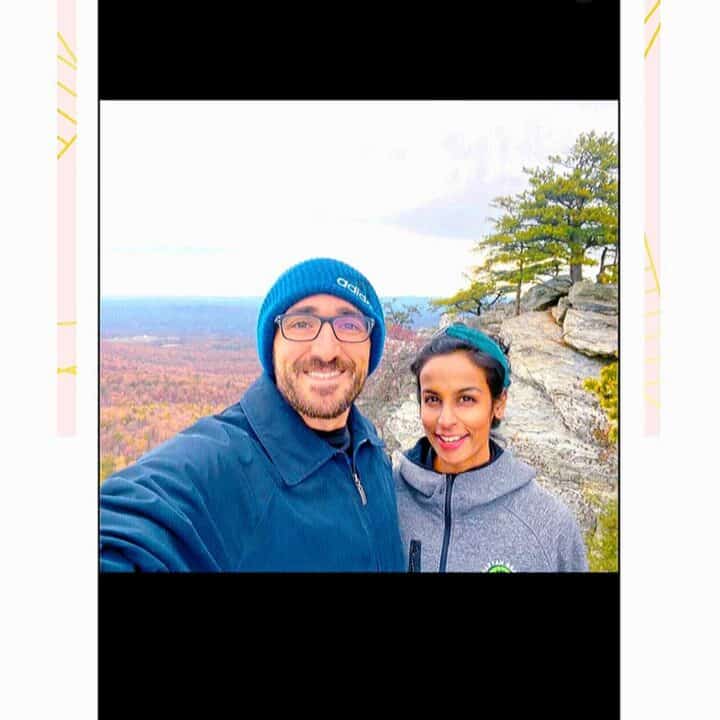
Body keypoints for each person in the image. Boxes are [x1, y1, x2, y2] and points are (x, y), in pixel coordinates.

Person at [100, 257, 405, 572]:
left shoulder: (369, 448)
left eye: (349, 324)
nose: (325, 350)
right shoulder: (224, 463)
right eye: (301, 323)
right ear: (272, 345)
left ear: (371, 346)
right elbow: (127, 526)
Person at [395, 322, 588, 573]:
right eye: (432, 399)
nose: (446, 420)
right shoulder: (388, 497)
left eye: (466, 399)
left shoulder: (548, 525)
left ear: (498, 403)